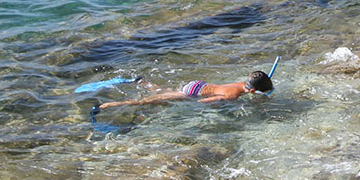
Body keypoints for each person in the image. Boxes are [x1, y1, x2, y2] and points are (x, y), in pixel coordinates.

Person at [95, 71, 274, 110]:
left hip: (199, 84)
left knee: (164, 91)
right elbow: (203, 102)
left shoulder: (241, 83)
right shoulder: (233, 96)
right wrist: (217, 106)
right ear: (252, 92)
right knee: (153, 100)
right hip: (193, 93)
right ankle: (115, 104)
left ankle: (143, 82)